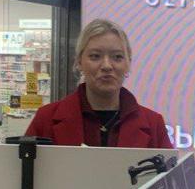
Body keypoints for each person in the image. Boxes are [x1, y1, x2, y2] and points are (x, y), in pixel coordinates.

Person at [25, 19, 172, 148]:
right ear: (79, 62)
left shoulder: (154, 124)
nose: (107, 65)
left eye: (117, 57)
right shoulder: (46, 119)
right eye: (95, 56)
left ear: (128, 64)